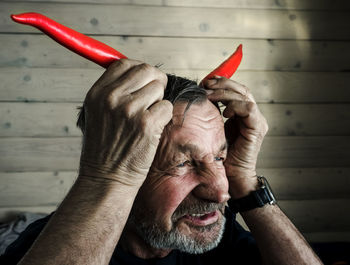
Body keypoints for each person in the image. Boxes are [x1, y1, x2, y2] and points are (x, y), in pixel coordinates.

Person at [0, 59, 322, 264]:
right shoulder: (46, 246)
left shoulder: (214, 237)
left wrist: (247, 182)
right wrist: (105, 180)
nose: (221, 192)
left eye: (220, 157)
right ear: (120, 163)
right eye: (183, 163)